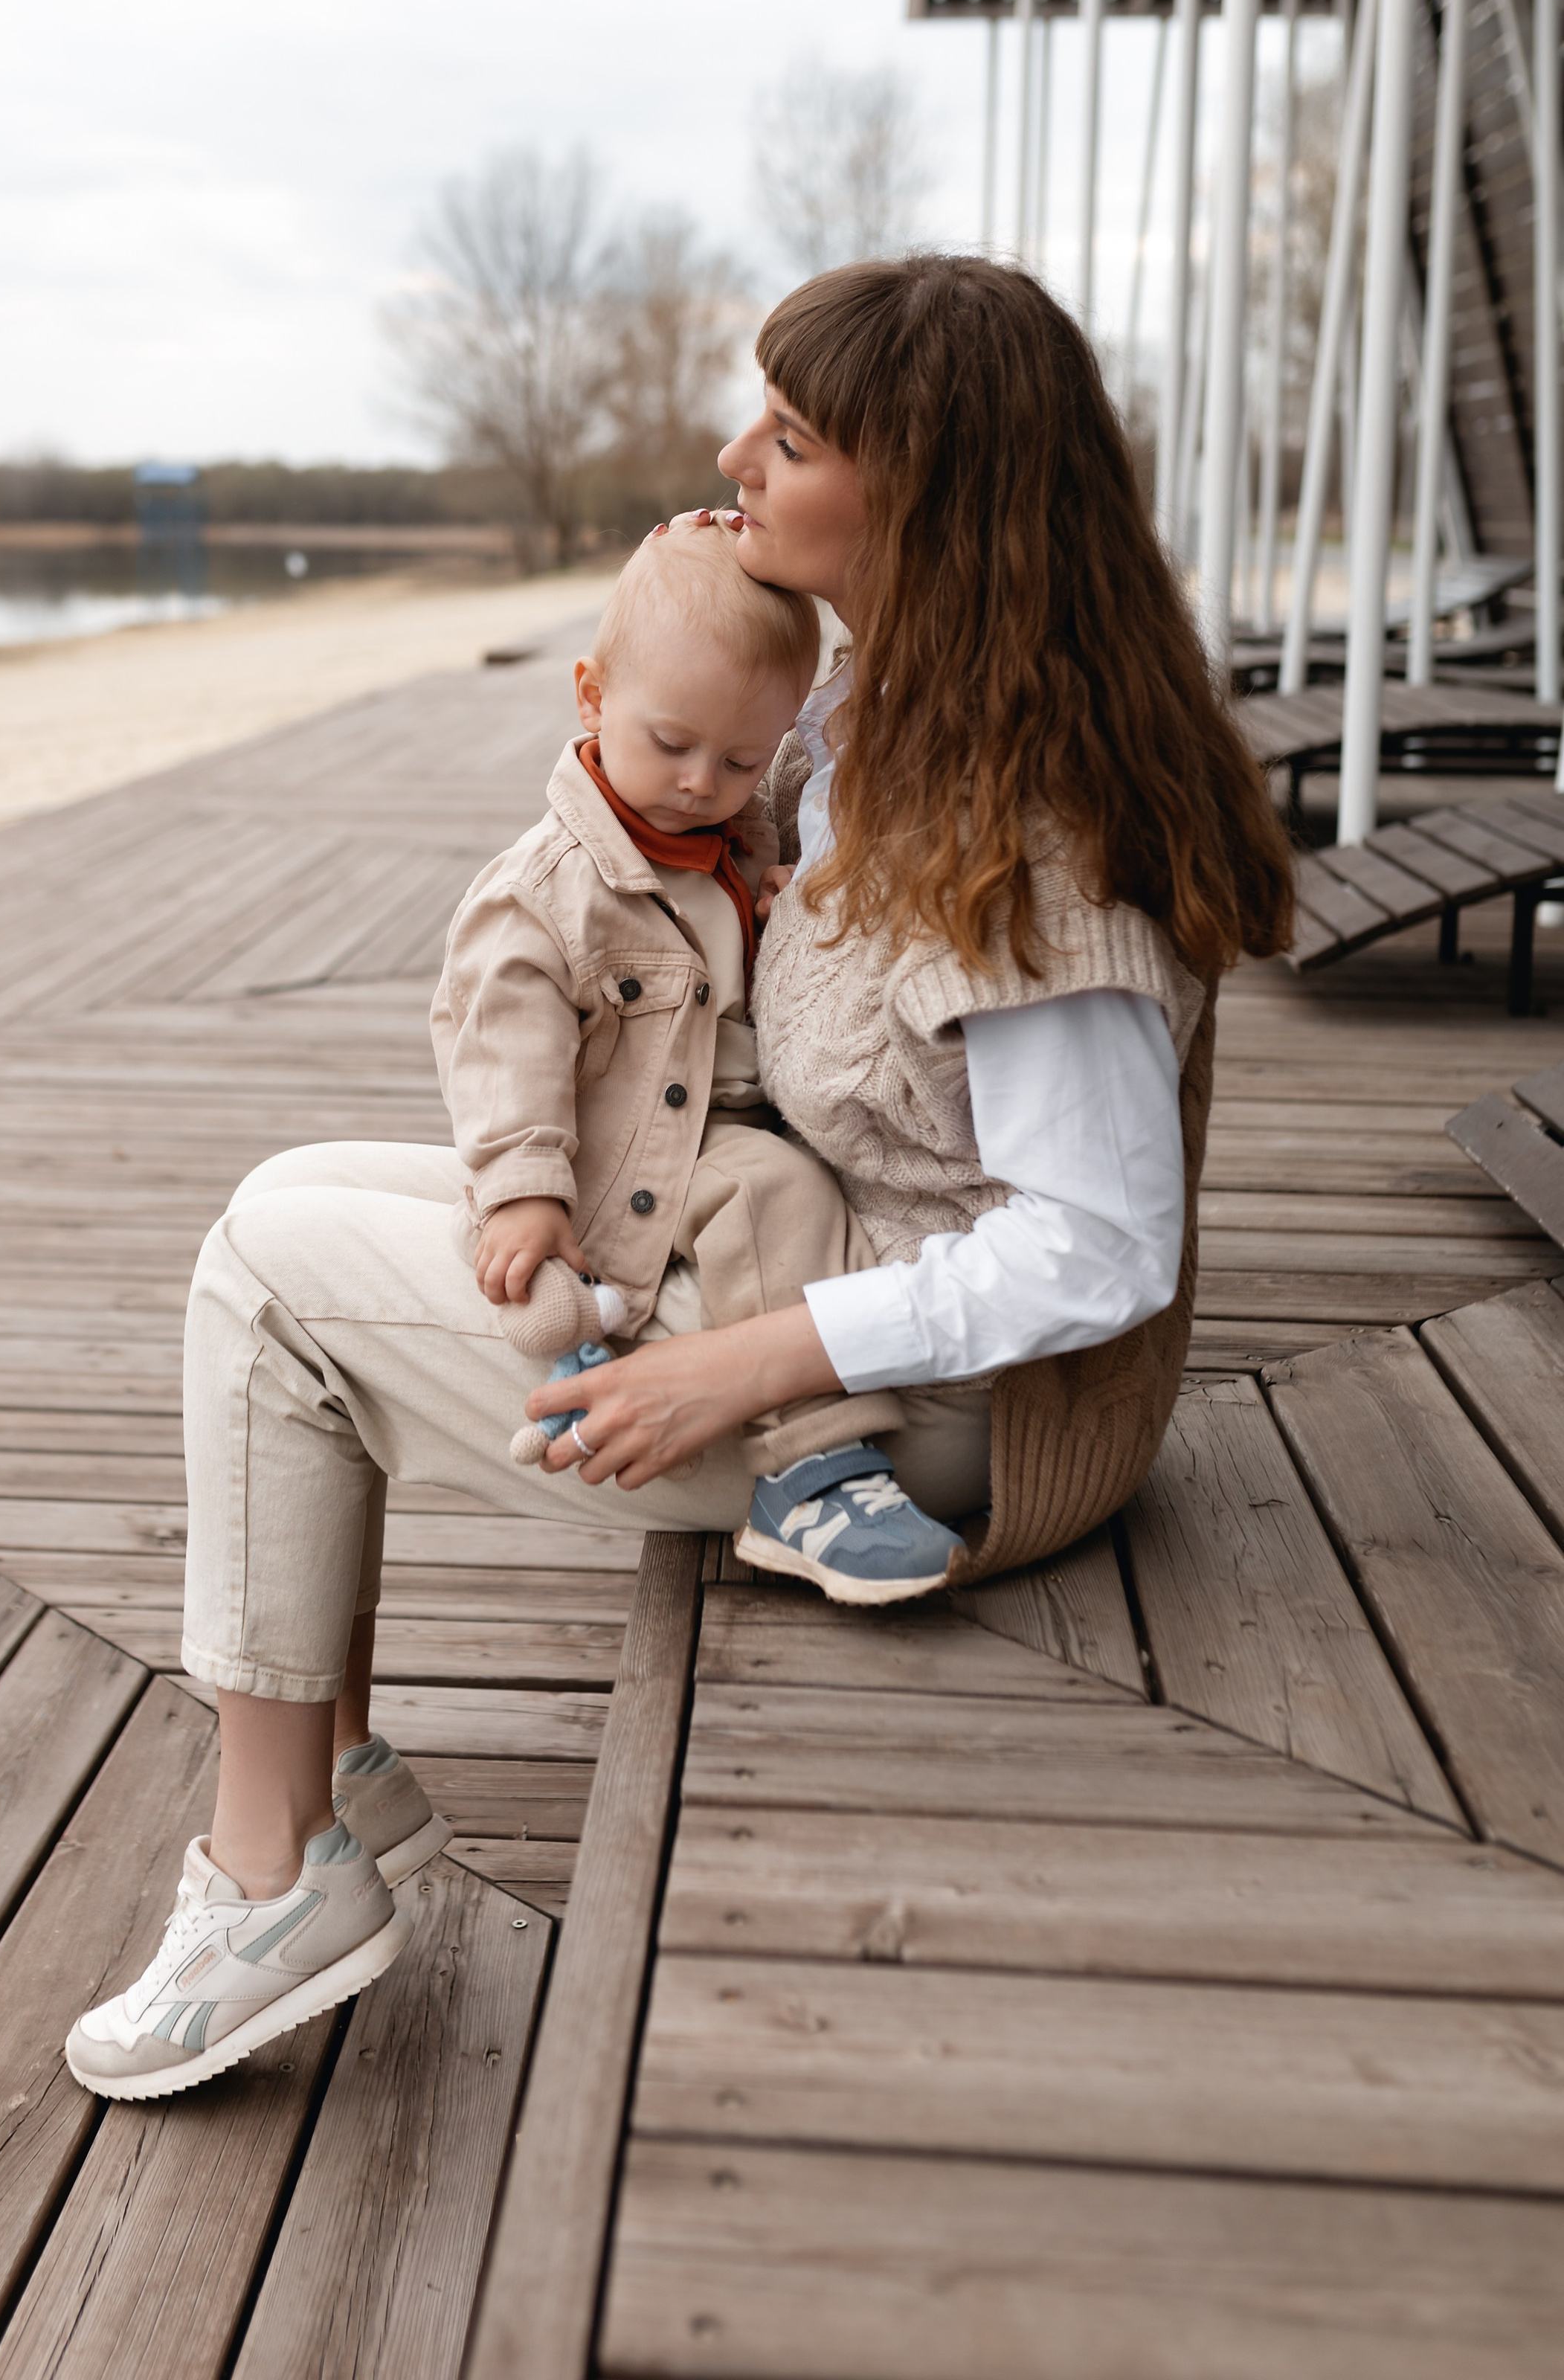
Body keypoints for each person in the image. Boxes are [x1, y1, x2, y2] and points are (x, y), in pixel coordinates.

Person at [65, 251, 1293, 2103]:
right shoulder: (905, 710)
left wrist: (743, 1363)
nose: (737, 452)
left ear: (921, 498)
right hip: (814, 1295)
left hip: (919, 1428)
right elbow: (682, 807)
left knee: (270, 1276)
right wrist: (708, 605)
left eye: (789, 439)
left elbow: (1105, 1247)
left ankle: (275, 1865)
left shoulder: (1025, 826)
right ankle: (331, 1782)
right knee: (300, 1186)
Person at [431, 514, 952, 1594]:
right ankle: (812, 1470)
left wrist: (785, 918)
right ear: (591, 696)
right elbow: (502, 1042)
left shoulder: (733, 846)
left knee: (797, 1194)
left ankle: (643, 1339)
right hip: (636, 1152)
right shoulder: (548, 888)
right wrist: (527, 1189)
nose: (699, 782)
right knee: (774, 1190)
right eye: (670, 744)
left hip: (718, 1113)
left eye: (740, 759)